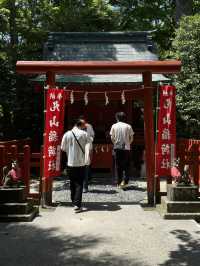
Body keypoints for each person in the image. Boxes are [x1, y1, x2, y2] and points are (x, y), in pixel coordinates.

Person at [61, 118, 90, 213]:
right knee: (79, 183)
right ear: (80, 125)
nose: (85, 126)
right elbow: (89, 146)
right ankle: (77, 205)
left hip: (70, 162)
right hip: (81, 162)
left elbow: (63, 148)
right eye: (84, 125)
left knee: (72, 182)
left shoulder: (67, 134)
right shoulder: (84, 134)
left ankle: (74, 201)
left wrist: (71, 151)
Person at [110, 112, 134, 188]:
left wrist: (115, 143)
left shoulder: (114, 126)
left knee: (118, 166)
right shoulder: (128, 126)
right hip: (126, 148)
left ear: (117, 118)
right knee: (127, 166)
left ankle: (119, 182)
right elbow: (131, 138)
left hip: (117, 148)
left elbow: (112, 137)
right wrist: (128, 144)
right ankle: (125, 182)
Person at [79, 115, 95, 193]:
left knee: (86, 166)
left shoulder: (89, 126)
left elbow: (92, 135)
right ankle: (81, 185)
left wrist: (89, 140)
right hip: (79, 149)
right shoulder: (76, 127)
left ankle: (85, 185)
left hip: (88, 147)